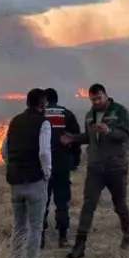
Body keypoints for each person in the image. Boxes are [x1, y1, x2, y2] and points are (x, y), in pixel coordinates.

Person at [62, 83, 129, 258]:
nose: (96, 101)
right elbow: (88, 137)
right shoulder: (89, 115)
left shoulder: (120, 111)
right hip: (95, 166)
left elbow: (125, 134)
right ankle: (80, 246)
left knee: (120, 204)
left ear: (106, 95)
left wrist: (109, 131)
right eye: (93, 99)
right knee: (88, 204)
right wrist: (73, 139)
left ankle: (128, 236)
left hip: (116, 165)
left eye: (99, 98)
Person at [0, 88, 53, 258]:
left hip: (15, 181)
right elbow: (44, 152)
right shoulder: (43, 123)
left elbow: (3, 149)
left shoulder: (15, 121)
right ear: (42, 104)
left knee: (19, 226)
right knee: (35, 226)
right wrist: (46, 174)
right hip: (35, 181)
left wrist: (13, 166)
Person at [42, 87, 82, 249]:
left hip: (43, 164)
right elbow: (76, 139)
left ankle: (40, 238)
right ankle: (63, 237)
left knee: (42, 201)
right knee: (62, 201)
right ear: (57, 99)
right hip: (62, 163)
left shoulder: (39, 114)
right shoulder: (67, 114)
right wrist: (75, 160)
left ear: (44, 100)